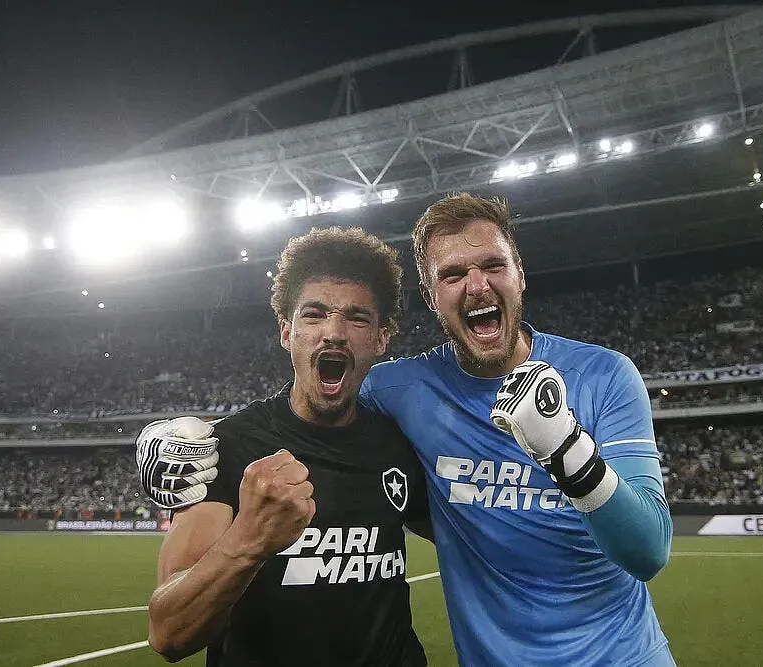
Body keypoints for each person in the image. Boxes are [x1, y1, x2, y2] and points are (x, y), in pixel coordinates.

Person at [140, 193, 675, 666]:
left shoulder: (603, 375)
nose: (477, 284)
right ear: (432, 293)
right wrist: (194, 434)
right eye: (452, 274)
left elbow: (649, 552)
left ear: (519, 275)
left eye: (493, 265)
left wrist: (567, 448)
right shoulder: (395, 393)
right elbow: (168, 632)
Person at [143, 227, 431, 666]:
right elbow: (168, 632)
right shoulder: (231, 447)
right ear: (286, 332)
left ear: (381, 339)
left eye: (357, 318)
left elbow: (476, 534)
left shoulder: (400, 443)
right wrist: (249, 540)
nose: (334, 333)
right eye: (314, 315)